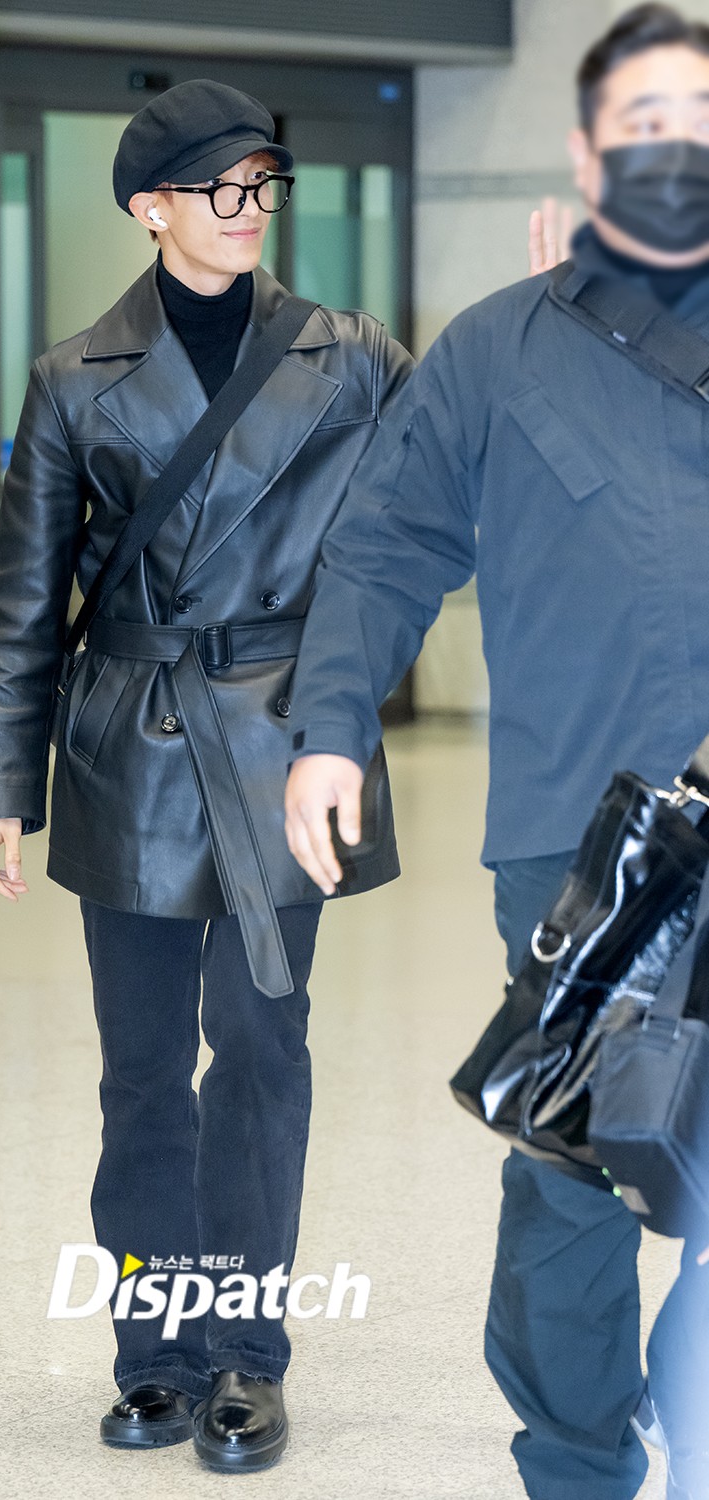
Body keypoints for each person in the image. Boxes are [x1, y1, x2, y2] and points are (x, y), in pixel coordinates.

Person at [285, 6, 709, 1498]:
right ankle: (578, 1461)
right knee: (581, 1170)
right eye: (645, 126)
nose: (677, 151)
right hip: (584, 846)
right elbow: (386, 545)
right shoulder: (496, 351)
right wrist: (330, 728)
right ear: (588, 156)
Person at [0, 78, 411, 1472]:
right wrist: (1, 782)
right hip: (134, 747)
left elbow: (441, 499)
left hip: (287, 740)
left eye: (263, 183)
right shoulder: (73, 377)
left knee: (263, 1052)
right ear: (150, 209)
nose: (249, 207)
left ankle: (246, 1358)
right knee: (145, 1069)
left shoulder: (354, 358)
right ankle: (153, 1352)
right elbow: (22, 596)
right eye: (222, 187)